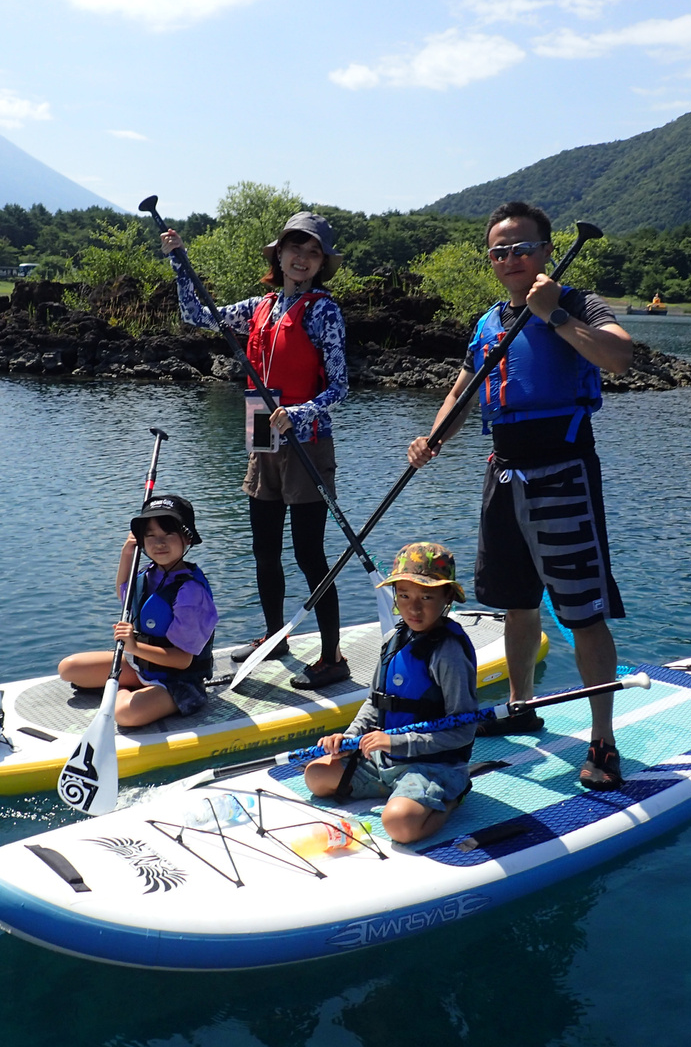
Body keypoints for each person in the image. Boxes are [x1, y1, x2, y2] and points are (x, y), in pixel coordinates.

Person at [406, 201, 633, 791]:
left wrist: (553, 315)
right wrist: (432, 438)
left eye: (522, 247)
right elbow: (465, 388)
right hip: (503, 472)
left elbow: (619, 355)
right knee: (515, 602)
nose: (510, 259)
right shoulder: (488, 323)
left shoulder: (577, 303)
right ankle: (520, 705)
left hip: (563, 471)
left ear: (547, 251)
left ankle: (602, 740)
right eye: (499, 251)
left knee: (582, 611)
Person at [159, 212, 350, 689]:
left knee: (309, 554)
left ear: (321, 262)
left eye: (312, 252)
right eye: (294, 249)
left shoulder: (324, 310)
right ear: (278, 255)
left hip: (306, 437)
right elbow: (197, 315)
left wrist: (301, 412)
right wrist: (179, 263)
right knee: (264, 548)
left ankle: (332, 656)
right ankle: (273, 636)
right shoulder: (261, 307)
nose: (301, 259)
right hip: (262, 428)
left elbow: (342, 387)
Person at [303, 543, 477, 843]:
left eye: (426, 597)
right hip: (386, 758)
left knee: (400, 826)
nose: (414, 608)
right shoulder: (393, 639)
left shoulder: (447, 653)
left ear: (447, 598)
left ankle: (450, 797)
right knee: (316, 775)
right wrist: (350, 736)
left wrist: (398, 742)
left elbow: (463, 729)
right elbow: (375, 702)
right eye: (404, 596)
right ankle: (399, 792)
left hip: (432, 764)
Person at [57, 495, 219, 727]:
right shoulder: (149, 573)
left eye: (168, 534)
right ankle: (130, 687)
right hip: (140, 668)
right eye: (150, 536)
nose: (159, 543)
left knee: (125, 715)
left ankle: (119, 693)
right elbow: (124, 594)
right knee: (68, 668)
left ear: (187, 538)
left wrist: (133, 646)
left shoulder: (191, 592)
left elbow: (182, 661)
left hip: (180, 683)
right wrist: (126, 554)